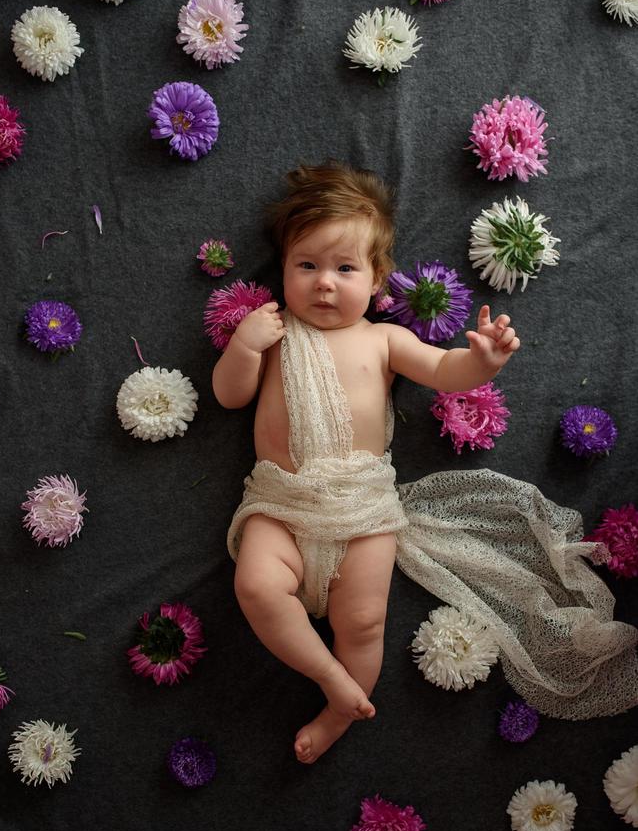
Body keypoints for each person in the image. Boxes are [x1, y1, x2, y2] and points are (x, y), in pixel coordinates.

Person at [211, 161, 521, 763]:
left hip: (363, 509)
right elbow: (230, 395)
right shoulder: (275, 334)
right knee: (254, 584)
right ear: (283, 269)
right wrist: (244, 346)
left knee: (365, 624)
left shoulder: (383, 340)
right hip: (284, 501)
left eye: (345, 269)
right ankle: (330, 677)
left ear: (378, 279)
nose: (324, 284)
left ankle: (336, 717)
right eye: (307, 266)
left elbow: (442, 370)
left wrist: (481, 361)